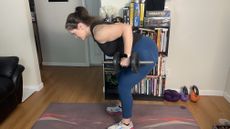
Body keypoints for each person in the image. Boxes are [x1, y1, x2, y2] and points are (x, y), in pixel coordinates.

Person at [65, 6, 158, 129]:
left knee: (124, 85)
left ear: (80, 26)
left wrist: (126, 56)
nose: (75, 37)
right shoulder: (95, 28)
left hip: (144, 51)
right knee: (120, 77)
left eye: (74, 33)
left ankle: (126, 123)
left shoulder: (99, 33)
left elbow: (126, 28)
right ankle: (122, 106)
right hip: (138, 47)